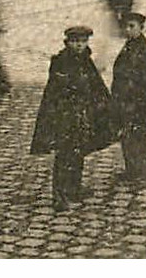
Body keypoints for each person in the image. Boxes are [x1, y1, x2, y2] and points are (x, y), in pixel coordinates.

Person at [31, 26, 116, 212]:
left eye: (83, 41)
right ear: (67, 43)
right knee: (64, 156)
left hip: (82, 116)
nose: (79, 45)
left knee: (78, 153)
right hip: (65, 117)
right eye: (76, 42)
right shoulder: (61, 62)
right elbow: (60, 89)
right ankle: (60, 196)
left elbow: (96, 85)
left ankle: (74, 188)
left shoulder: (85, 60)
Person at [111, 12, 146, 190]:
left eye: (132, 26)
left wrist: (132, 94)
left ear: (141, 28)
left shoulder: (145, 49)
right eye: (125, 26)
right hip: (125, 101)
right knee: (127, 137)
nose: (128, 30)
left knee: (139, 138)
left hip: (138, 103)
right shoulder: (129, 46)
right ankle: (132, 171)